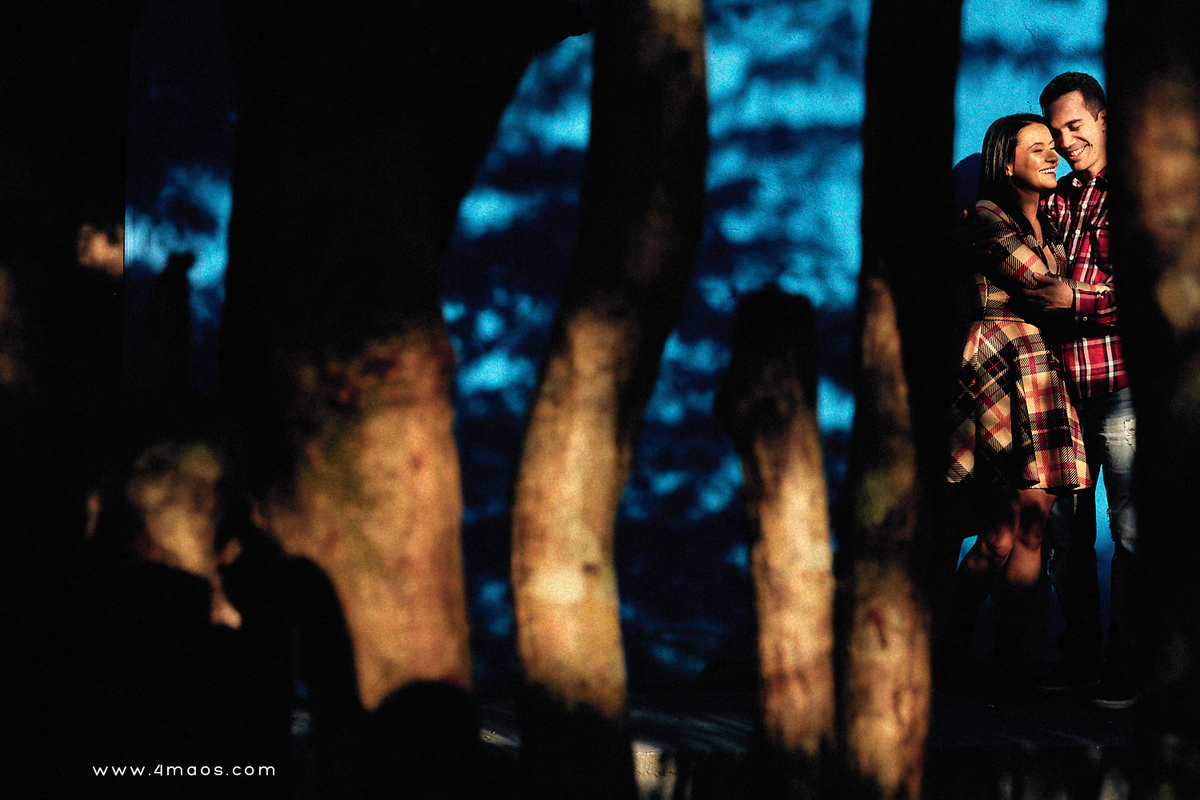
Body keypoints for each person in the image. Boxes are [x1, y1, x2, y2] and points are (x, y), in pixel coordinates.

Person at [943, 114, 1104, 691]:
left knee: (1035, 528)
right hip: (999, 367)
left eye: (1051, 145)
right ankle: (950, 649)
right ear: (1005, 162)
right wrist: (1100, 291)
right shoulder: (987, 216)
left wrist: (1078, 293)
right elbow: (1040, 283)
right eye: (1037, 147)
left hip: (1044, 371)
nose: (1052, 154)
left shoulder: (1056, 225)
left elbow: (1066, 290)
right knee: (1000, 534)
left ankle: (1008, 667)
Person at [1023, 72, 1139, 709]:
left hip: (1120, 385)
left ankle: (1127, 664)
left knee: (1129, 533)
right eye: (1056, 131)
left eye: (1076, 127)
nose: (1067, 142)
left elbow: (1150, 293)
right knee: (1065, 534)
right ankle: (1080, 658)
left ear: (1103, 120)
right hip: (1063, 389)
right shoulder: (1060, 199)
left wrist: (1078, 299)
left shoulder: (1133, 193)